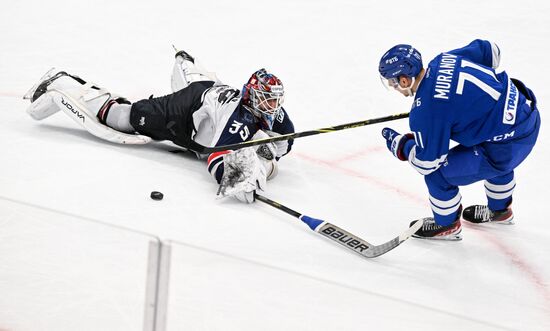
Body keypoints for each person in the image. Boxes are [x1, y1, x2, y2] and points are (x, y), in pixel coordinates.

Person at [24, 50, 295, 203]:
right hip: (182, 113)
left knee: (257, 149)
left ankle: (187, 65)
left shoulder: (270, 111)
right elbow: (215, 157)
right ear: (253, 95)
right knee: (123, 118)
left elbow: (287, 138)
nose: (272, 107)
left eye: (275, 102)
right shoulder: (236, 119)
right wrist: (238, 180)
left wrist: (276, 149)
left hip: (208, 91)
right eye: (267, 101)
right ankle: (63, 83)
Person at [378, 40, 540, 240]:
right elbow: (491, 50)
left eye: (393, 82)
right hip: (527, 116)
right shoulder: (443, 60)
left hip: (506, 144)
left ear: (404, 80)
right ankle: (500, 211)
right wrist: (465, 99)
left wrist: (402, 146)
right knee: (494, 146)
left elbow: (427, 162)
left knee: (438, 176)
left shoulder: (427, 111)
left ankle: (447, 225)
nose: (394, 87)